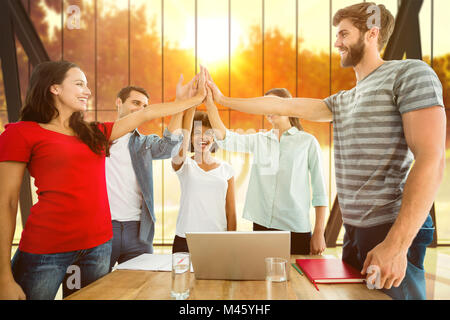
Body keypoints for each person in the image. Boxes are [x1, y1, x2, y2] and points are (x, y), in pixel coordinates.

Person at [205, 2, 446, 300]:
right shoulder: (342, 100)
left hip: (391, 228)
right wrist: (223, 100)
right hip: (355, 233)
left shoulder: (409, 74)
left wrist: (397, 245)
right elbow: (283, 105)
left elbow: (431, 159)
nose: (337, 42)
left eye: (344, 34)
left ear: (372, 34)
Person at [0, 60, 206, 300]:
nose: (87, 91)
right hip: (46, 249)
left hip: (98, 248)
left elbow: (147, 114)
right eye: (79, 84)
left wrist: (191, 99)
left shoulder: (95, 133)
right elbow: (6, 202)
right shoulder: (20, 132)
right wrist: (4, 277)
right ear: (54, 88)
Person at [205, 86, 328, 255]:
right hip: (262, 225)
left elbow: (320, 192)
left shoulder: (307, 142)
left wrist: (319, 232)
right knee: (263, 280)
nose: (267, 109)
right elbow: (227, 139)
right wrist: (211, 106)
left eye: (271, 104)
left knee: (297, 280)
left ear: (288, 106)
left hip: (296, 228)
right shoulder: (259, 140)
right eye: (264, 106)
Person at [106, 82, 189, 271]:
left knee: (141, 288)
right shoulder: (97, 138)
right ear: (119, 102)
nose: (140, 110)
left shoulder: (144, 143)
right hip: (102, 229)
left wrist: (180, 104)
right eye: (135, 103)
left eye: (144, 107)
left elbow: (169, 146)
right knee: (94, 291)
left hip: (138, 232)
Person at [171, 108, 237, 253]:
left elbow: (231, 211)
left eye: (208, 133)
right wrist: (192, 104)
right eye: (198, 133)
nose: (203, 138)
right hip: (186, 239)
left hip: (218, 239)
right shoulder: (183, 163)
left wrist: (232, 242)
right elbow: (182, 144)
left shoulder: (227, 169)